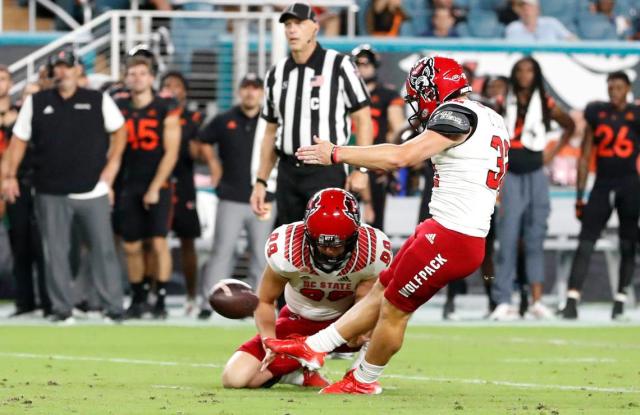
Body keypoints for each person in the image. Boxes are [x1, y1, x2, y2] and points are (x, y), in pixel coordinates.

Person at [265, 56, 510, 394]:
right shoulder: (490, 116)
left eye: (417, 93)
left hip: (453, 236)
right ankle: (316, 346)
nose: (415, 103)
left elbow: (401, 157)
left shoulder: (456, 114)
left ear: (431, 88)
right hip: (445, 228)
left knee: (395, 310)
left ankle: (363, 380)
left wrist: (337, 153)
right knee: (383, 289)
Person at [1, 50, 127, 323]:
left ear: (78, 70)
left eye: (67, 67)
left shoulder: (98, 99)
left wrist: (112, 166)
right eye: (57, 67)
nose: (63, 72)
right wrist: (9, 175)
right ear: (51, 72)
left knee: (103, 249)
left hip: (92, 187)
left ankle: (113, 307)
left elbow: (120, 130)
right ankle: (61, 309)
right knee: (55, 251)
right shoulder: (36, 102)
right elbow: (18, 141)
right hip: (49, 188)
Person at [222, 188, 391, 389]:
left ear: (353, 237)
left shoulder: (372, 249)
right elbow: (265, 300)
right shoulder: (288, 247)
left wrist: (360, 329)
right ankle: (298, 372)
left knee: (388, 313)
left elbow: (367, 304)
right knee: (234, 378)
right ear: (308, 234)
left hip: (344, 324)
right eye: (322, 244)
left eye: (337, 245)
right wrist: (269, 340)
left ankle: (360, 377)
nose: (329, 251)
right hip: (297, 323)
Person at [250, 2, 373, 226]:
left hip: (326, 171)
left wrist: (361, 169)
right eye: (287, 24)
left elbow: (363, 119)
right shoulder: (277, 73)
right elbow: (270, 132)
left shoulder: (339, 65)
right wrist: (261, 181)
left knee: (329, 243)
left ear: (315, 26)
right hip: (288, 172)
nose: (291, 29)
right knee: (289, 250)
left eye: (298, 23)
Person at [490, 56, 575, 321]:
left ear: (536, 74)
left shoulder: (546, 102)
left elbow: (569, 125)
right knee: (507, 237)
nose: (525, 75)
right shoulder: (503, 103)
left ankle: (537, 301)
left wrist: (553, 154)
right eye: (520, 70)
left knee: (535, 237)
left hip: (536, 172)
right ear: (514, 74)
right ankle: (503, 300)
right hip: (511, 174)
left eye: (530, 71)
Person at [561, 71, 640, 320]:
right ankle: (572, 299)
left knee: (628, 243)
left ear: (628, 89)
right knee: (586, 241)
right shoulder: (596, 112)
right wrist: (579, 195)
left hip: (629, 185)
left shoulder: (636, 115)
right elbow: (585, 154)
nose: (614, 92)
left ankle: (620, 301)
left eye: (618, 87)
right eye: (611, 87)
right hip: (602, 184)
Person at [197, 74, 277, 319]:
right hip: (231, 195)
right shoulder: (225, 119)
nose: (250, 93)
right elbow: (203, 140)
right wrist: (213, 165)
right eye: (246, 88)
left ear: (262, 92)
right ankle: (209, 302)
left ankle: (259, 305)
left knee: (262, 255)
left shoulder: (271, 122)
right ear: (240, 91)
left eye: (255, 88)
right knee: (222, 250)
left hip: (264, 196)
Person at [114, 55, 181, 319]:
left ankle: (160, 299)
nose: (137, 78)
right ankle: (138, 297)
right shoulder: (119, 106)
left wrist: (155, 186)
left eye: (142, 73)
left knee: (157, 241)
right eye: (133, 73)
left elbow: (171, 152)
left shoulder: (166, 106)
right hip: (129, 181)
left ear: (152, 77)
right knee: (131, 245)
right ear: (126, 77)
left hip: (159, 182)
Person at [0, 66, 51, 317]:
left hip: (33, 184)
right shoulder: (17, 121)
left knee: (41, 244)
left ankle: (47, 301)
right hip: (12, 185)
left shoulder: (33, 119)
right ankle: (24, 301)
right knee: (18, 244)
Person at [160, 70, 204, 315]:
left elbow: (198, 153)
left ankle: (191, 296)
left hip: (184, 183)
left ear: (184, 92)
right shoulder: (156, 113)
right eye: (167, 85)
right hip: (159, 182)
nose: (171, 89)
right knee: (156, 240)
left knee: (188, 241)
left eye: (176, 85)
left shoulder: (193, 117)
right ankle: (156, 294)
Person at [351, 44, 404, 231]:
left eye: (366, 64)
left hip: (374, 162)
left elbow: (398, 128)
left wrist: (389, 161)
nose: (362, 68)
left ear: (374, 66)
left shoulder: (387, 95)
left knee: (374, 224)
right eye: (358, 64)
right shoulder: (345, 92)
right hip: (346, 159)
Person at [505, 0, 576, 41]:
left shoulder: (551, 23)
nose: (526, 10)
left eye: (529, 6)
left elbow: (572, 40)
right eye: (522, 7)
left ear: (537, 9)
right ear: (517, 10)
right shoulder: (513, 28)